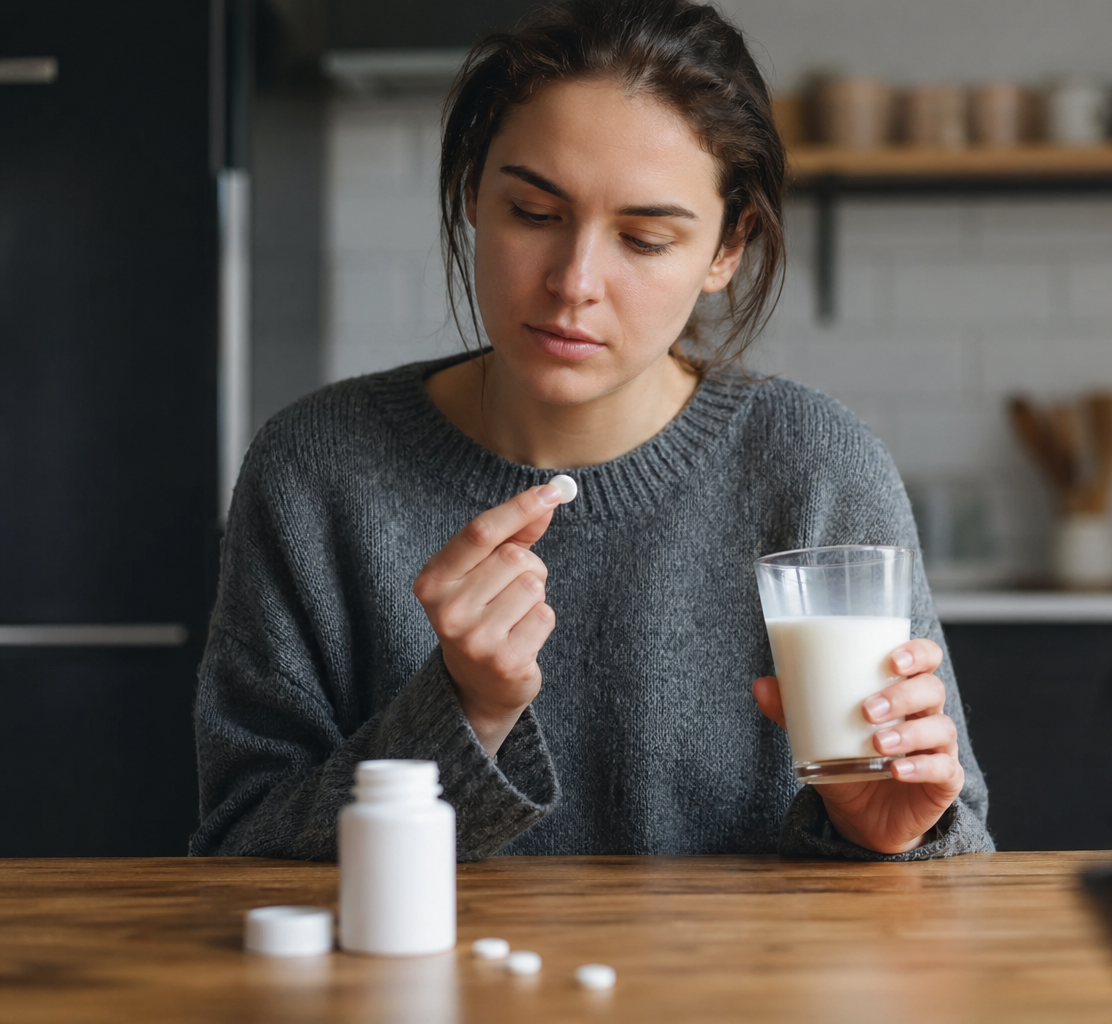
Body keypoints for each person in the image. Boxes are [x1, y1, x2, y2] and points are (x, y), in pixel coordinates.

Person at [191, 0, 992, 861]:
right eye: (534, 215)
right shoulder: (315, 469)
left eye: (644, 239)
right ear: (471, 191)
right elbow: (237, 853)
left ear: (727, 250)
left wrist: (888, 838)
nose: (574, 282)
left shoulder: (815, 469)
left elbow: (960, 857)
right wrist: (466, 711)